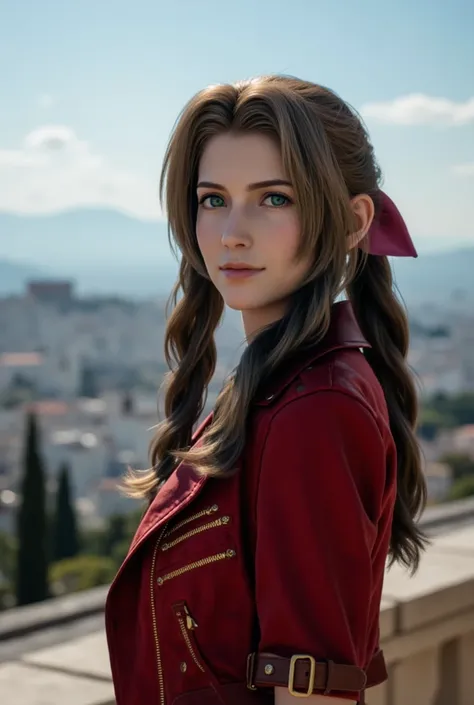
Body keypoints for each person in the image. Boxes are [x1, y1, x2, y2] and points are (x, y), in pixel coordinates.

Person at [105, 75, 426, 705]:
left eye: (274, 199)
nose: (232, 233)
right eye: (213, 199)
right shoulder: (278, 384)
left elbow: (316, 692)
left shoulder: (316, 410)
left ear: (355, 220)